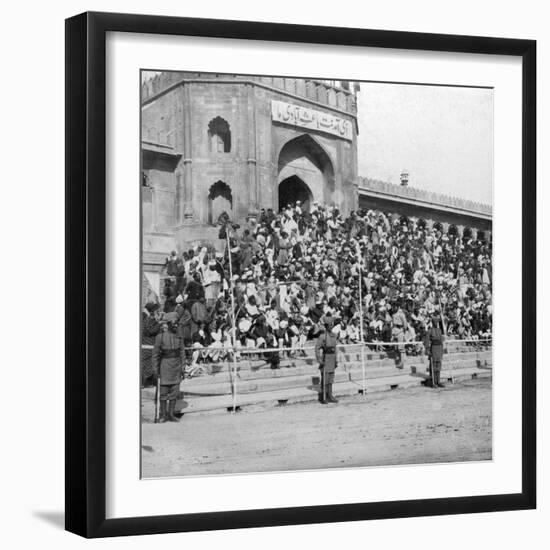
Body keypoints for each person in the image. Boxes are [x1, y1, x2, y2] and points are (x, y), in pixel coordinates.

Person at [151, 312, 185, 422]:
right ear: (169, 324)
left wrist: (183, 368)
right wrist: (155, 370)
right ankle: (163, 415)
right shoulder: (160, 337)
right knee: (164, 393)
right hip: (165, 367)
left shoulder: (179, 338)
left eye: (177, 324)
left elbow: (182, 353)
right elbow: (155, 355)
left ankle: (171, 414)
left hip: (176, 367)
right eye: (174, 324)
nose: (176, 326)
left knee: (174, 392)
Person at [315, 314, 339, 404]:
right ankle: (324, 397)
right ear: (326, 326)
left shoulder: (334, 335)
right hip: (326, 358)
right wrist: (319, 359)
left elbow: (335, 349)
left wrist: (336, 359)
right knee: (325, 378)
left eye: (332, 325)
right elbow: (317, 348)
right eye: (329, 325)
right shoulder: (322, 336)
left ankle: (330, 395)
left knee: (331, 378)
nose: (331, 327)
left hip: (332, 359)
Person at [424, 314, 445, 388]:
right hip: (433, 348)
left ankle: (438, 381)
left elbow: (441, 340)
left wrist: (442, 350)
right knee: (433, 366)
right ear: (432, 323)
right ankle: (433, 382)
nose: (436, 323)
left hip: (439, 348)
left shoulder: (439, 330)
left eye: (437, 322)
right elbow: (427, 342)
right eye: (435, 322)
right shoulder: (429, 331)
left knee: (439, 365)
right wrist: (427, 350)